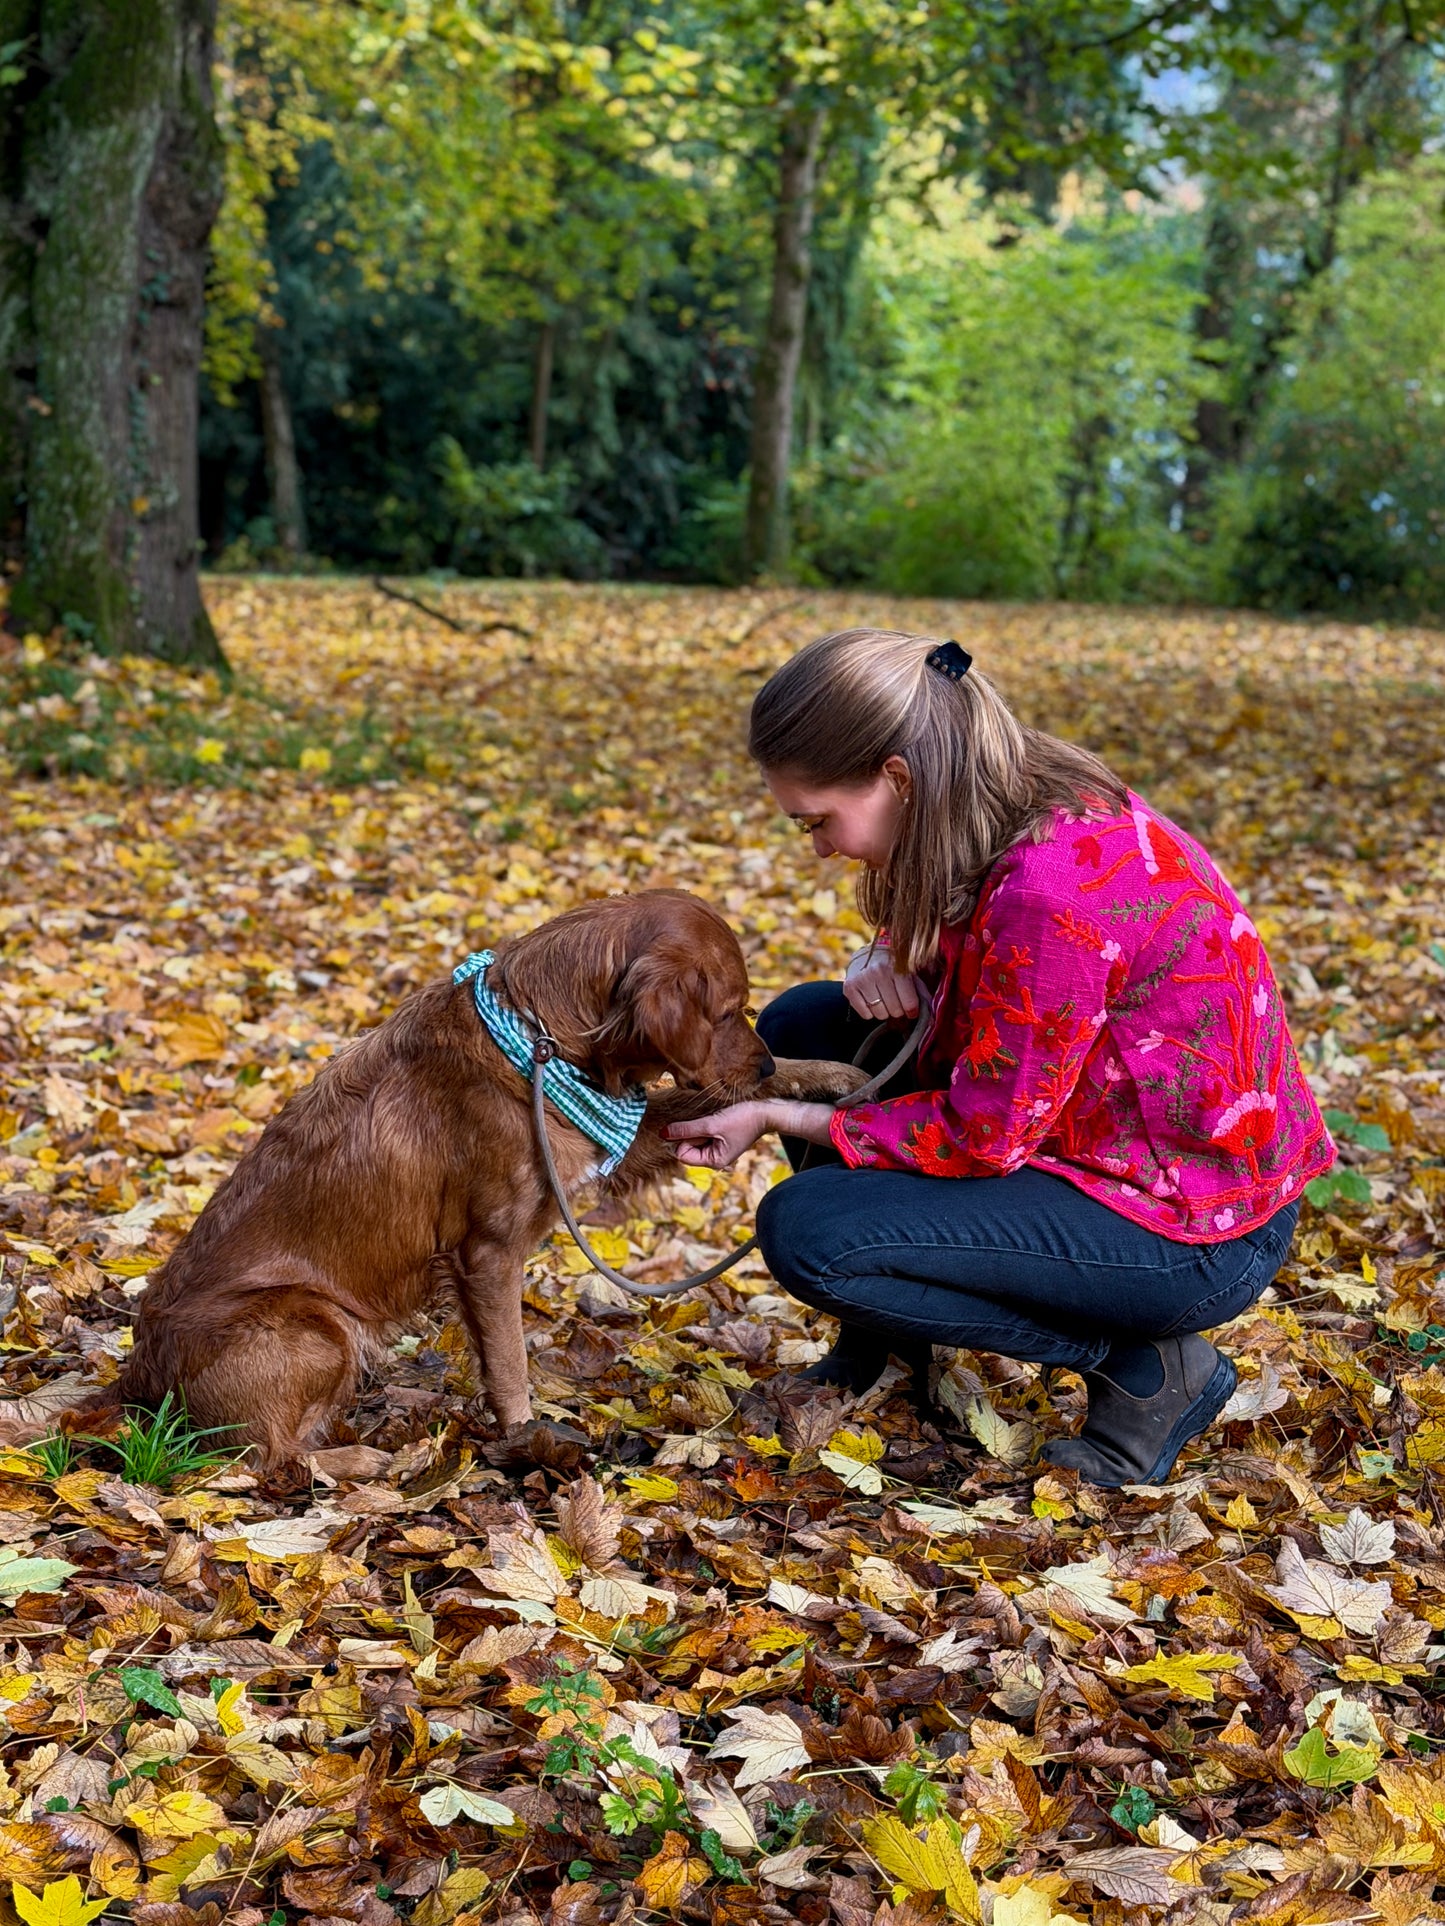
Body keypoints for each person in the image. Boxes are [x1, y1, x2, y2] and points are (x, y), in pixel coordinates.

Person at [664, 628, 1332, 1488]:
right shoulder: (1006, 791)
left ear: (898, 778)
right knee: (802, 1025)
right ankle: (891, 1345)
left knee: (808, 1234)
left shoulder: (1052, 892)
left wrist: (777, 1114)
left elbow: (982, 1136)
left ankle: (1146, 1367)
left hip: (1188, 1225)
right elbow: (969, 934)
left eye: (818, 822)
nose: (820, 848)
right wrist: (887, 951)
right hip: (1094, 1133)